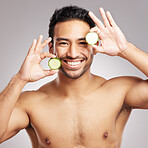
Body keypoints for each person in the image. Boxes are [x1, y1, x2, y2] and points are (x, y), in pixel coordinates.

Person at [0, 5, 148, 148]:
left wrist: (125, 49)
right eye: (64, 43)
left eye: (82, 43)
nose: (73, 53)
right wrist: (20, 79)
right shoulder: (31, 103)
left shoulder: (119, 92)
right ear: (52, 48)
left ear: (94, 45)